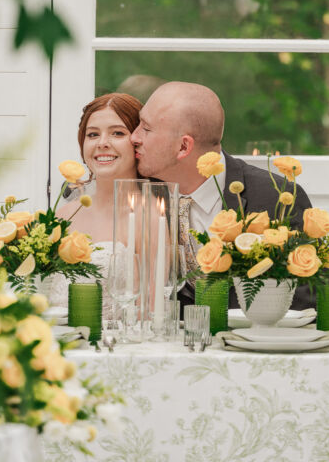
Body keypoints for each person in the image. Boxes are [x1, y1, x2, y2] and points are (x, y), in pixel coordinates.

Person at [130, 81, 317, 309]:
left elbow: (307, 302)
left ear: (183, 147)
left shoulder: (277, 198)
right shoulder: (137, 193)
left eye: (146, 128)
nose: (134, 137)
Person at [44, 93, 143, 313]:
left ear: (137, 142)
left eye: (117, 133)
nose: (102, 143)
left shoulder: (151, 215)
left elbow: (154, 309)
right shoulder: (63, 216)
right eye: (92, 134)